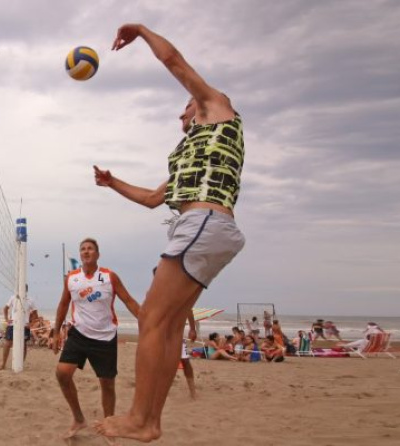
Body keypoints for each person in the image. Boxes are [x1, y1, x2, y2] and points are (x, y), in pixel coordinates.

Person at [93, 23, 246, 442]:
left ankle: (140, 418)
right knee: (170, 328)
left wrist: (140, 31)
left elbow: (173, 62)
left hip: (203, 224)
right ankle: (151, 421)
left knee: (150, 321)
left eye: (187, 105)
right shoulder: (190, 157)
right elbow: (151, 199)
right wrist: (113, 182)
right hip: (207, 227)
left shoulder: (217, 109)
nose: (183, 110)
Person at [52, 238, 141, 440]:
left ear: (97, 254)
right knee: (62, 374)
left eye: (90, 249)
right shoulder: (72, 278)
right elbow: (63, 305)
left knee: (107, 384)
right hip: (79, 334)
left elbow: (129, 300)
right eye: (83, 249)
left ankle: (109, 425)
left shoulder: (109, 277)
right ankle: (78, 418)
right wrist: (56, 332)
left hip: (105, 336)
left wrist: (146, 322)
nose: (86, 251)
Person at [0, 286, 36, 370]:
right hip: (13, 324)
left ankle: (21, 364)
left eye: (23, 289)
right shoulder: (13, 297)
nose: (21, 290)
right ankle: (3, 363)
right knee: (8, 343)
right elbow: (5, 308)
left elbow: (34, 313)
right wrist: (7, 319)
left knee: (23, 345)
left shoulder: (30, 300)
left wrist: (31, 323)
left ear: (26, 290)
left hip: (24, 325)